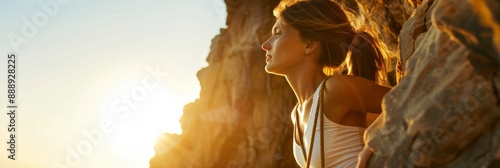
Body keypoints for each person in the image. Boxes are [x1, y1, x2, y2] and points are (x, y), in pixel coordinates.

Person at [260, 0, 391, 167]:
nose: (265, 45)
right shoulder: (297, 113)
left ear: (310, 44)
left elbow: (408, 98)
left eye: (278, 33)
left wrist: (374, 139)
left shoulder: (335, 88)